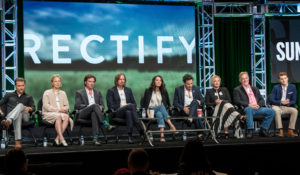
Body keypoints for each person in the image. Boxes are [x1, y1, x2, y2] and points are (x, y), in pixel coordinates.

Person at [75, 74, 115, 145]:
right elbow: (78, 106)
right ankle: (106, 124)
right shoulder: (79, 92)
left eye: (93, 82)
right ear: (85, 82)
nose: (92, 83)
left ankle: (95, 139)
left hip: (95, 114)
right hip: (83, 114)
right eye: (90, 81)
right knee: (94, 106)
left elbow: (102, 106)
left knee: (94, 113)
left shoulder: (97, 92)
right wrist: (90, 106)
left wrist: (100, 107)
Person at [233, 72, 275, 139]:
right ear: (240, 80)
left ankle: (263, 129)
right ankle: (250, 130)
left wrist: (258, 105)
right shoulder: (237, 90)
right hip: (247, 108)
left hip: (258, 108)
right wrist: (249, 104)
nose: (245, 80)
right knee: (249, 109)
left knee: (271, 111)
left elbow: (261, 100)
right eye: (243, 79)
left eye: (246, 78)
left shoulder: (255, 88)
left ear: (248, 78)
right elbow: (237, 101)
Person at [106, 73, 144, 144]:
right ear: (116, 80)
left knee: (129, 112)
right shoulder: (111, 90)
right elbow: (110, 105)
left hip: (127, 112)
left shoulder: (128, 90)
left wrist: (127, 106)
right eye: (120, 79)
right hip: (116, 112)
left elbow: (134, 103)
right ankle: (140, 128)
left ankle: (130, 137)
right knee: (130, 106)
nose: (122, 81)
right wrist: (121, 106)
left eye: (123, 79)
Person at [0, 78, 35, 148]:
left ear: (24, 86)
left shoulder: (28, 96)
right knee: (17, 115)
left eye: (22, 85)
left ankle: (8, 121)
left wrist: (30, 108)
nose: (21, 87)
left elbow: (34, 108)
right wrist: (1, 113)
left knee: (20, 105)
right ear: (15, 86)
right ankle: (18, 143)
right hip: (13, 116)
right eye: (19, 86)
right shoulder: (9, 95)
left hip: (25, 117)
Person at [142, 75, 177, 142]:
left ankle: (162, 136)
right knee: (161, 107)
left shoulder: (163, 91)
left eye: (160, 80)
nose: (159, 82)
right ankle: (171, 125)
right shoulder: (148, 91)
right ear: (153, 82)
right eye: (157, 80)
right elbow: (145, 104)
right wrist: (148, 115)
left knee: (159, 114)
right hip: (151, 111)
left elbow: (168, 103)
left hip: (161, 111)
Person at [42, 74, 73, 146]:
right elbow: (46, 106)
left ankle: (57, 139)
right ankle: (62, 138)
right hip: (49, 113)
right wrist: (58, 110)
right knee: (58, 116)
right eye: (55, 81)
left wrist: (64, 109)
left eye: (59, 81)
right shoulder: (47, 92)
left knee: (67, 117)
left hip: (61, 114)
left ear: (61, 83)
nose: (57, 83)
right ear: (52, 83)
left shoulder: (63, 93)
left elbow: (67, 106)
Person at [173, 74, 205, 138]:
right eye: (188, 84)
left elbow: (202, 100)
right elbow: (175, 102)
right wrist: (183, 108)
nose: (190, 85)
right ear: (184, 83)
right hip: (184, 110)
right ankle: (202, 133)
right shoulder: (178, 89)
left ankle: (190, 117)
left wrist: (200, 101)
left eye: (191, 83)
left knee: (194, 101)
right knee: (196, 112)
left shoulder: (196, 88)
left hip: (195, 108)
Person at [269, 72, 298, 137]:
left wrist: (288, 103)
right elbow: (271, 100)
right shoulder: (275, 87)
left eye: (285, 78)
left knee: (295, 111)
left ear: (287, 78)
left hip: (286, 107)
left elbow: (294, 100)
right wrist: (281, 102)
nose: (284, 80)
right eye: (282, 79)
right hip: (277, 106)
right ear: (279, 80)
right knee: (276, 111)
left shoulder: (292, 87)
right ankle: (280, 131)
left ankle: (290, 130)